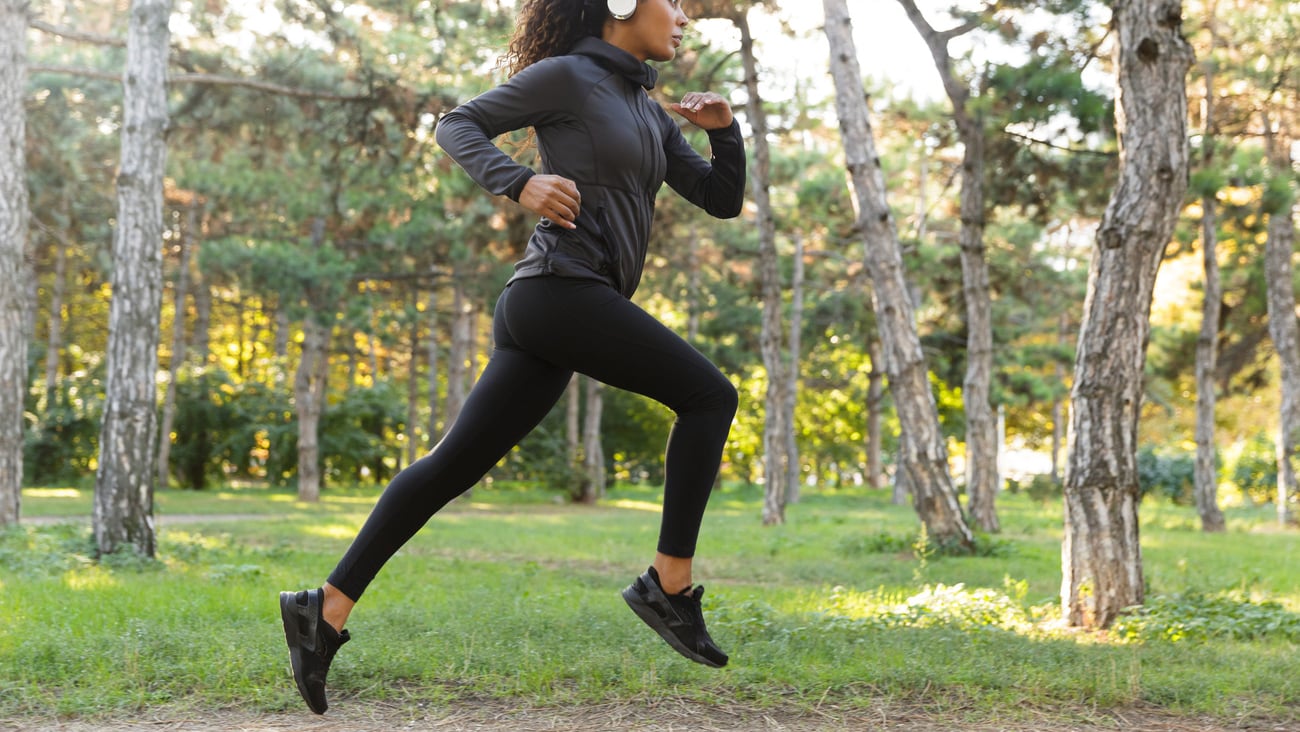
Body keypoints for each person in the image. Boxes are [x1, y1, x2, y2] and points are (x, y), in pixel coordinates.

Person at [278, 0, 747, 714]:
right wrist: (517, 180)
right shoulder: (567, 76)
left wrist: (726, 133)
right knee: (710, 397)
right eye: (673, 2)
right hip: (560, 290)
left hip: (552, 306)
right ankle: (668, 586)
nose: (685, 17)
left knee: (452, 466)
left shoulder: (648, 110)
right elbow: (455, 123)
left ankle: (324, 608)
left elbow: (719, 198)